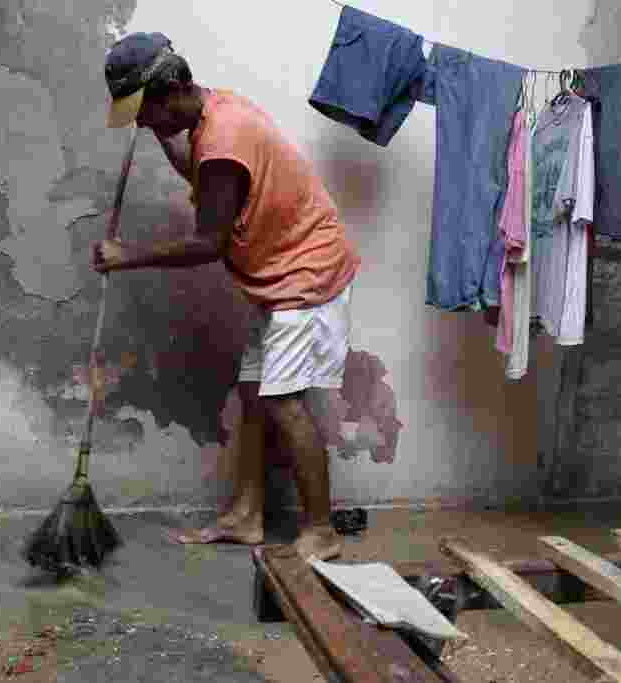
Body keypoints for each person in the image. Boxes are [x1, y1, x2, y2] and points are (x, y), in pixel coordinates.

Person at [94, 32, 360, 561]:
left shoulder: (223, 141)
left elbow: (207, 244)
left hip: (305, 277)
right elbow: (195, 166)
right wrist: (156, 134)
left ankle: (321, 529)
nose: (141, 123)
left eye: (143, 111)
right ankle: (247, 516)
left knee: (282, 401)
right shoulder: (212, 112)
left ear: (171, 90)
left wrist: (129, 256)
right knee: (253, 394)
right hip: (276, 274)